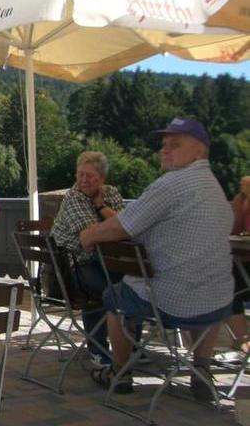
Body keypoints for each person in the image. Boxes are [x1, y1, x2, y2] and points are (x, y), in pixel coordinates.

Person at [80, 118, 233, 400]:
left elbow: (122, 225)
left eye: (175, 145)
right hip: (217, 305)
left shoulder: (173, 183)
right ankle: (201, 369)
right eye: (164, 144)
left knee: (115, 296)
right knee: (204, 287)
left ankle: (120, 372)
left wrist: (88, 235)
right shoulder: (215, 188)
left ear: (199, 152)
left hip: (172, 302)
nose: (165, 150)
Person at [51, 151, 125, 367]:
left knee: (132, 286)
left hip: (105, 260)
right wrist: (114, 224)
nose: (83, 180)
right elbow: (89, 237)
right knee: (105, 290)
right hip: (71, 268)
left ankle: (130, 348)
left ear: (102, 178)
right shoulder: (74, 197)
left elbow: (128, 224)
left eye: (89, 175)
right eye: (80, 174)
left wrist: (102, 207)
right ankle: (98, 350)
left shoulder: (111, 193)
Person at [226, 175, 250, 354]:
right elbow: (234, 230)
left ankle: (242, 341)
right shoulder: (242, 199)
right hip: (243, 262)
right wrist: (240, 206)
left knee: (229, 281)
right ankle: (243, 341)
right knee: (227, 280)